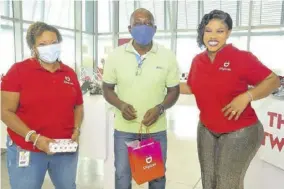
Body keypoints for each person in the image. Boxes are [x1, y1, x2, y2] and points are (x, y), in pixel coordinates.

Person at [180, 10, 281, 189]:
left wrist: (247, 96)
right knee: (208, 182)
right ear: (203, 32)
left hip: (240, 130)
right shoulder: (198, 61)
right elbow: (191, 87)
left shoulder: (241, 58)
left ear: (228, 33)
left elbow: (273, 81)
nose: (213, 36)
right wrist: (165, 86)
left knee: (227, 184)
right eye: (208, 30)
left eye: (220, 31)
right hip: (207, 129)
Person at [102, 8, 180, 189]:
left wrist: (160, 108)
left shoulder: (167, 56)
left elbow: (174, 91)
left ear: (155, 28)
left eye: (148, 23)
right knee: (122, 175)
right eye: (138, 23)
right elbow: (107, 89)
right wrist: (120, 105)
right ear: (130, 28)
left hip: (155, 129)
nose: (143, 27)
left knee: (157, 176)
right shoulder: (116, 56)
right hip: (124, 129)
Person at [1, 22, 84, 189]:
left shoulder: (69, 73)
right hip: (27, 148)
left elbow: (78, 106)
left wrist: (76, 129)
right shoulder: (18, 71)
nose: (49, 47)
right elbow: (5, 112)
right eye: (42, 44)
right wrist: (34, 138)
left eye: (53, 43)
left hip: (64, 149)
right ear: (34, 48)